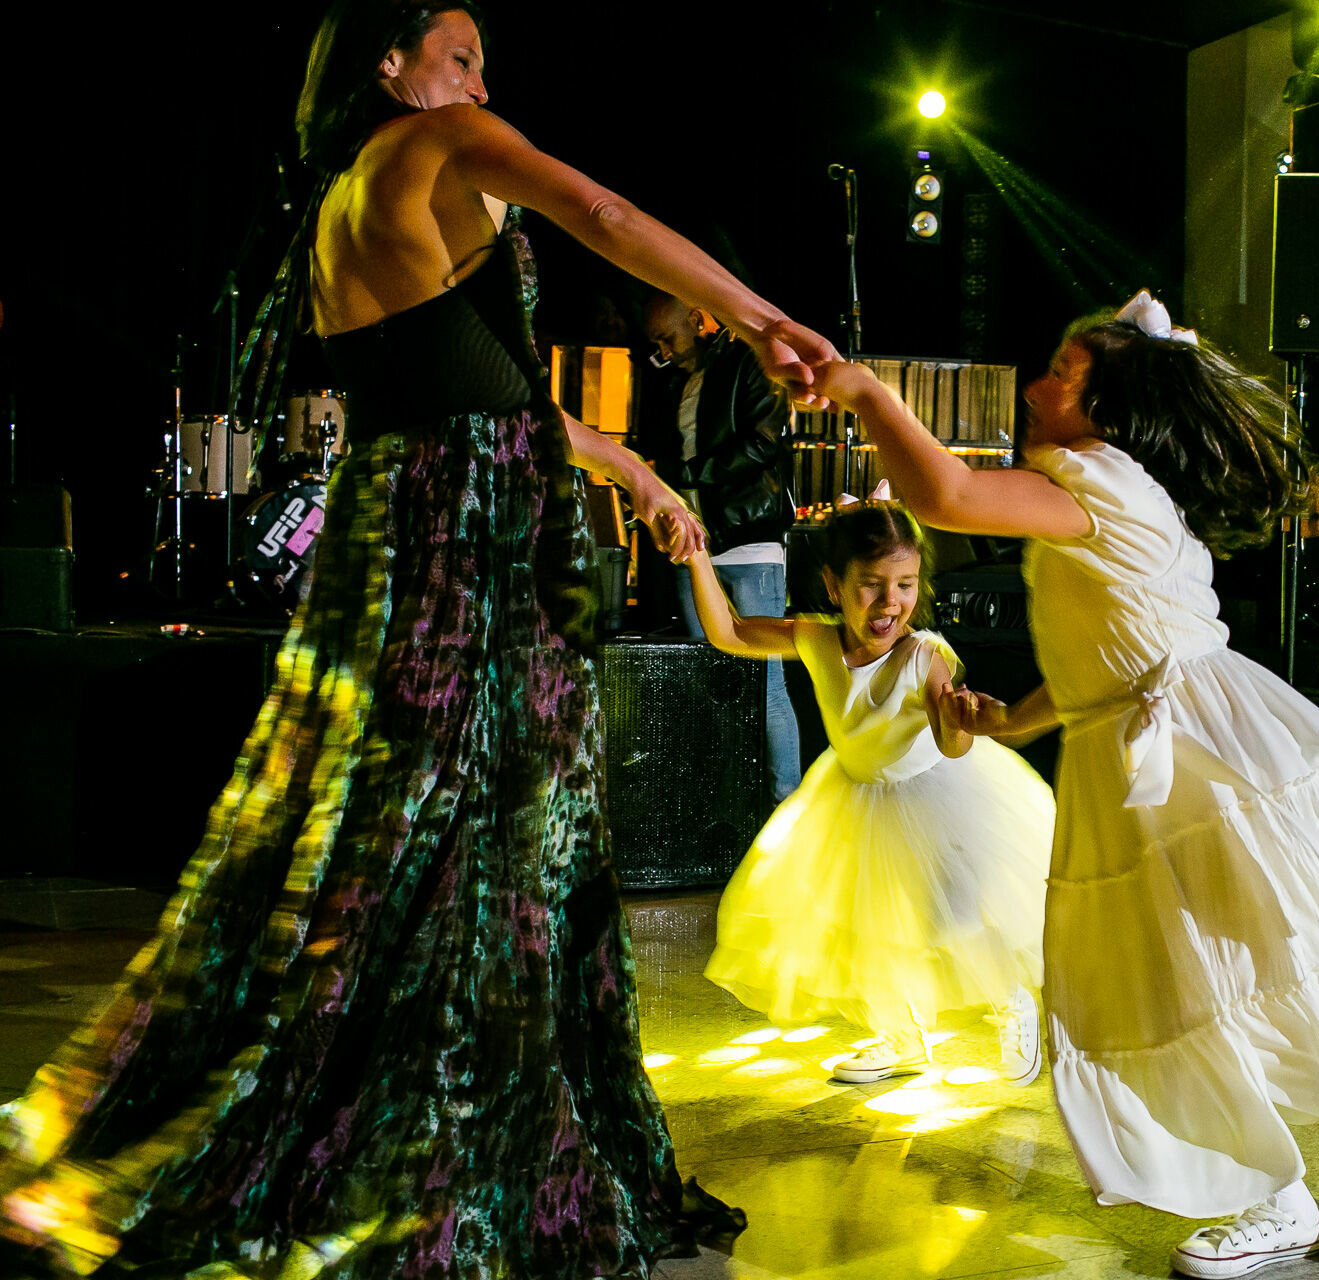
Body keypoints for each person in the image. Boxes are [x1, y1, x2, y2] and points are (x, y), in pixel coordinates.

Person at [0, 2, 838, 1275]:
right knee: (509, 829)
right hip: (482, 528)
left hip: (409, 517)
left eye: (486, 63)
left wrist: (638, 475)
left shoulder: (340, 200)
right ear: (386, 65)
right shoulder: (436, 150)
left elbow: (470, 389)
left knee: (394, 828)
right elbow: (603, 217)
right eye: (457, 57)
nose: (479, 81)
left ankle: (346, 1118)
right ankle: (462, 1145)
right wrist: (767, 318)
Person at [809, 290, 1319, 1276]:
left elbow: (948, 497)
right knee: (1165, 990)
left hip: (1203, 750)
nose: (1038, 384)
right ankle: (1274, 1199)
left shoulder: (1098, 478)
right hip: (1119, 758)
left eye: (1062, 371)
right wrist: (1014, 719)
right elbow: (1098, 664)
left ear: (1109, 410)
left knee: (1269, 958)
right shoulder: (1084, 482)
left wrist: (868, 392)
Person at [689, 499, 1054, 1086]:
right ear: (834, 585)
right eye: (871, 585)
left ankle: (1012, 1000)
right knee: (874, 931)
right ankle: (902, 1034)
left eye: (905, 584)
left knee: (957, 920)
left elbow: (953, 747)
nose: (890, 602)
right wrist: (697, 555)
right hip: (855, 797)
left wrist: (961, 719)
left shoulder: (923, 657)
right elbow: (729, 632)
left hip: (941, 801)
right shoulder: (815, 639)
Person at [640, 291, 803, 802]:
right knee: (708, 683)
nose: (663, 350)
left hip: (750, 540)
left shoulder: (751, 360)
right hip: (698, 549)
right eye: (656, 343)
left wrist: (686, 474)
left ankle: (784, 808)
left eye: (668, 337)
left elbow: (763, 441)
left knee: (766, 686)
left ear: (696, 318)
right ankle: (725, 810)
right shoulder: (680, 378)